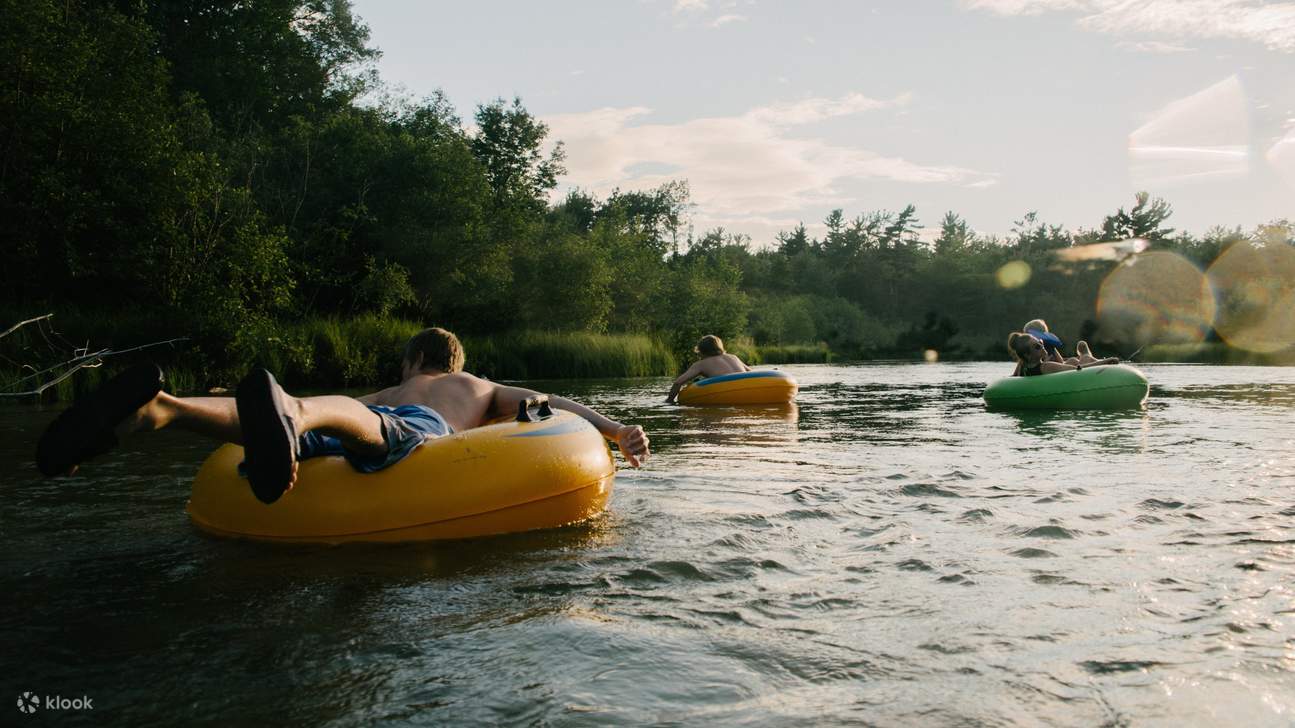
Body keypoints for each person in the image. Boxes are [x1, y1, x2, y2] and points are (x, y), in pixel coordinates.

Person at [36, 327, 650, 504]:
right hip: (405, 439)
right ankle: (160, 412)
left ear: (414, 359)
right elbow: (551, 405)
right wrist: (615, 428)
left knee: (332, 417)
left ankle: (167, 410)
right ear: (453, 361)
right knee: (335, 421)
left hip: (370, 428)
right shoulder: (477, 386)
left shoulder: (399, 388)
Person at [665, 334, 750, 403]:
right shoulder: (733, 357)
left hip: (727, 394)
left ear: (701, 351)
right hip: (747, 391)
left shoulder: (701, 364)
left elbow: (678, 383)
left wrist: (669, 401)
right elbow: (750, 372)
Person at [1007, 332, 1118, 377]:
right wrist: (1106, 361)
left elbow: (1012, 377)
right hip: (1075, 374)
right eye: (1037, 347)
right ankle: (1086, 353)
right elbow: (1078, 369)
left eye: (1040, 342)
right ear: (1028, 355)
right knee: (1082, 357)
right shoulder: (1046, 366)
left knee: (1075, 359)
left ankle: (1085, 354)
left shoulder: (1023, 367)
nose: (1042, 346)